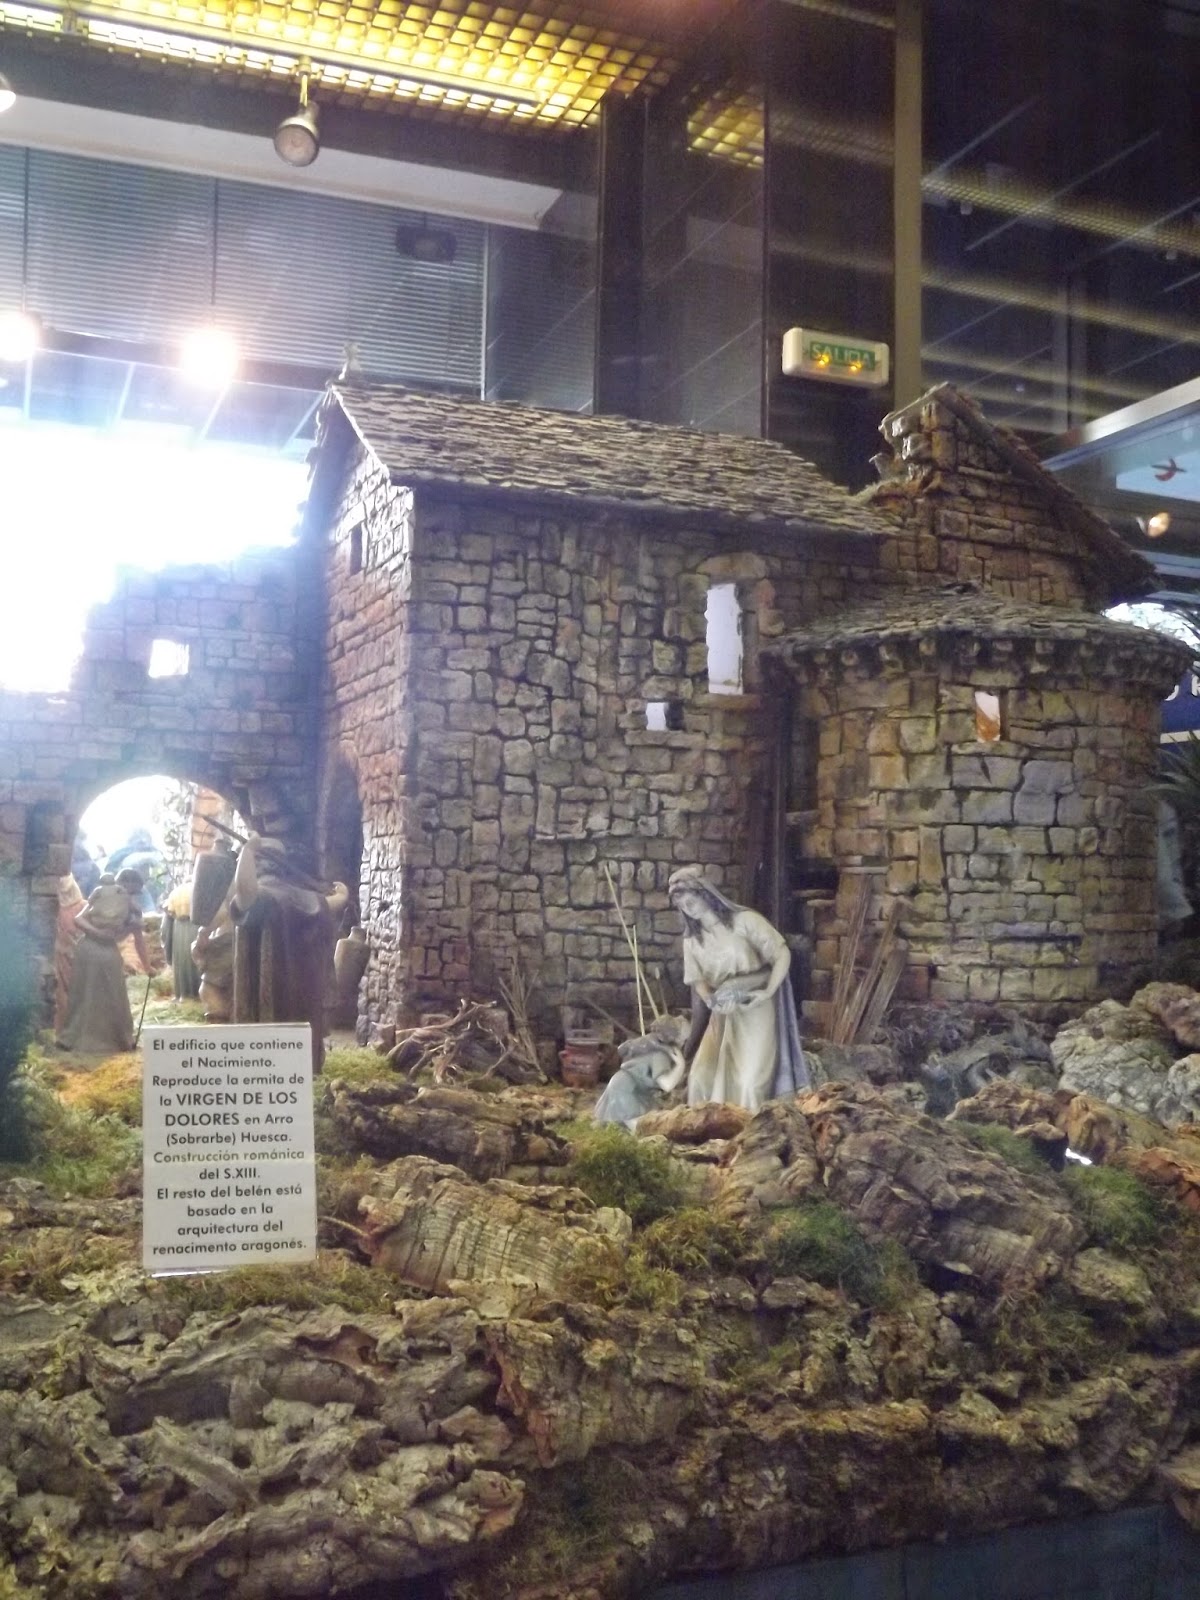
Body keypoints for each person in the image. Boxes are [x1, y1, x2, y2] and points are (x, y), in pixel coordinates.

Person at [667, 866, 808, 1113]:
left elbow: (781, 953)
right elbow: (698, 980)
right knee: (700, 1078)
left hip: (756, 1005)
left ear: (705, 894)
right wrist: (711, 1001)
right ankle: (711, 1130)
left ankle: (753, 1131)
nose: (688, 909)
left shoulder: (744, 921)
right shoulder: (692, 941)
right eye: (682, 906)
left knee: (749, 1084)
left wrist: (768, 991)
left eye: (691, 901)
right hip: (724, 1011)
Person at [57, 869, 149, 1055]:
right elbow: (79, 920)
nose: (130, 896)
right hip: (92, 950)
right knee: (86, 995)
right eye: (130, 891)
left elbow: (136, 937)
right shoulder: (101, 897)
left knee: (111, 994)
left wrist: (148, 967)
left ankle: (115, 1038)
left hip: (102, 951)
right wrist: (99, 934)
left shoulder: (127, 907)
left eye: (133, 893)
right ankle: (76, 1037)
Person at [53, 874, 86, 1033]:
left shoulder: (55, 910)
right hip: (81, 956)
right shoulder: (84, 906)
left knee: (62, 993)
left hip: (61, 955)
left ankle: (64, 1030)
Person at [161, 881, 200, 1000]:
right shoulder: (200, 889)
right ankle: (197, 993)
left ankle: (183, 993)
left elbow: (167, 919)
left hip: (179, 928)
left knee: (181, 961)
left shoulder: (175, 892)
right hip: (198, 925)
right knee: (197, 959)